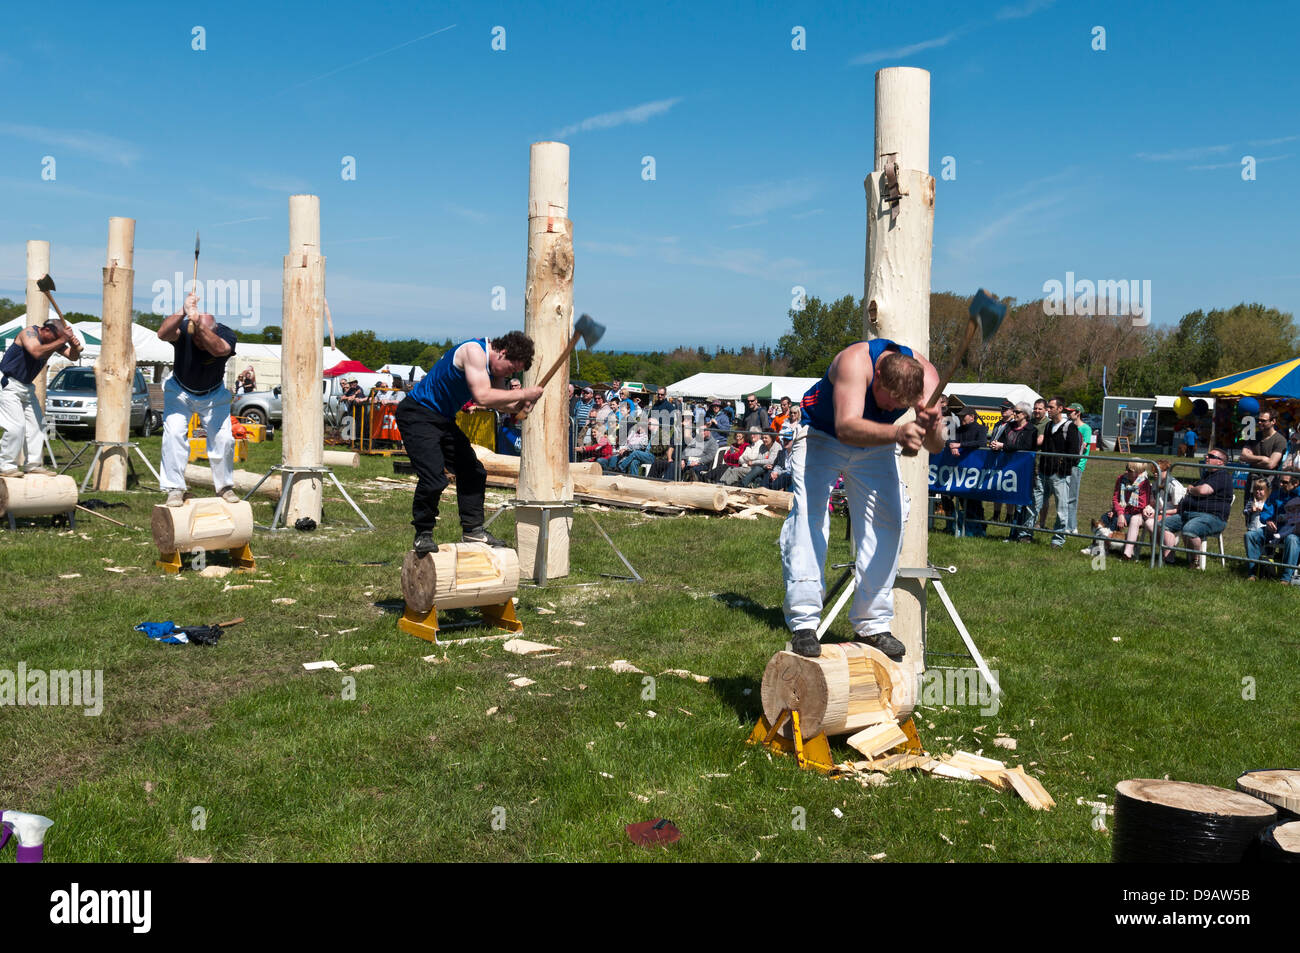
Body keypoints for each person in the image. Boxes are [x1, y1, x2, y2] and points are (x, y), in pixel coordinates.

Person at [782, 337, 944, 661]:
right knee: (809, 519)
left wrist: (931, 423)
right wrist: (899, 432)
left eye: (902, 406)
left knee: (889, 522)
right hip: (822, 436)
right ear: (879, 376)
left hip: (875, 447)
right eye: (889, 402)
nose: (892, 410)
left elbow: (937, 446)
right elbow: (846, 427)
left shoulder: (928, 377)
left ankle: (872, 623)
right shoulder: (855, 362)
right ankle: (803, 622)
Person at [396, 333, 541, 554]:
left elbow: (500, 402)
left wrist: (518, 407)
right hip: (418, 413)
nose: (510, 374)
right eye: (511, 369)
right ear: (502, 353)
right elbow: (482, 396)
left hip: (442, 419)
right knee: (434, 478)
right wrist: (524, 392)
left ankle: (473, 530)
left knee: (473, 471)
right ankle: (423, 534)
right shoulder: (474, 352)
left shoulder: (494, 368)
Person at [157, 293, 238, 505]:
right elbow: (162, 334)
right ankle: (174, 488)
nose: (199, 343)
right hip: (180, 391)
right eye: (197, 339)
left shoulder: (226, 335)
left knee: (224, 439)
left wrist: (199, 328)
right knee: (173, 434)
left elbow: (219, 349)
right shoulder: (185, 330)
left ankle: (224, 487)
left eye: (203, 337)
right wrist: (182, 311)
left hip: (214, 394)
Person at [0, 320, 82, 478]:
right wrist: (63, 339)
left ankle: (33, 465)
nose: (55, 343)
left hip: (26, 386)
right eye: (54, 339)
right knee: (16, 427)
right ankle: (5, 465)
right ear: (45, 330)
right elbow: (36, 351)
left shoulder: (54, 339)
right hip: (7, 383)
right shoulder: (29, 333)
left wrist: (73, 346)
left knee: (38, 426)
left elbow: (72, 356)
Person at [1159, 447, 1233, 566]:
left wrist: (1192, 489)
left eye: (1211, 456)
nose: (1206, 457)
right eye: (1207, 455)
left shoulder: (1222, 475)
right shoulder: (1207, 474)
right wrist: (1193, 490)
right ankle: (1169, 558)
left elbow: (1203, 490)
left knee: (1189, 530)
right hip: (1190, 513)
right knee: (1162, 525)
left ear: (1220, 462)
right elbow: (1195, 488)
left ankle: (1195, 561)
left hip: (1213, 517)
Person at [1040, 397, 1082, 548]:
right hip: (1044, 473)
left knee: (1061, 509)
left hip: (1060, 476)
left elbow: (1074, 455)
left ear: (1060, 408)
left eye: (1051, 407)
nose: (1048, 409)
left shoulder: (1070, 427)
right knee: (1035, 503)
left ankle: (1058, 539)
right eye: (1047, 407)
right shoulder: (1048, 425)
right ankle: (1026, 533)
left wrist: (1061, 471)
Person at [1244, 471, 1300, 581]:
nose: (1280, 484)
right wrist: (1268, 521)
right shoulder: (1276, 494)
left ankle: (1286, 578)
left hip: (1294, 531)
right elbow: (1265, 513)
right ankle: (1253, 573)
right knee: (1250, 535)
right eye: (1280, 481)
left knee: (1292, 539)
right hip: (1274, 530)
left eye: (1285, 482)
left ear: (1296, 483)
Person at [1092, 460, 1152, 558]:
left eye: (1129, 470)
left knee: (1115, 520)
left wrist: (1120, 514)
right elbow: (1115, 498)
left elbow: (1142, 505)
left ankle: (1105, 547)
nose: (1126, 472)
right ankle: (1097, 545)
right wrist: (1118, 512)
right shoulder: (1121, 479)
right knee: (1105, 518)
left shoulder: (1144, 483)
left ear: (1137, 472)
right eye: (1126, 469)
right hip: (1122, 511)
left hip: (1136, 514)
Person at [995, 402, 1037, 541]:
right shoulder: (1010, 426)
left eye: (1017, 412)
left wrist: (1004, 446)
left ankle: (1023, 535)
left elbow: (1025, 446)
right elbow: (1001, 440)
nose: (1015, 414)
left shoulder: (1031, 429)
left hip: (1023, 470)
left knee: (1022, 504)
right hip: (1007, 468)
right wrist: (997, 445)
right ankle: (1013, 534)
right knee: (1013, 501)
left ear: (1025, 414)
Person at [950, 407, 989, 537]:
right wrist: (952, 446)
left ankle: (980, 528)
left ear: (972, 417)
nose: (961, 418)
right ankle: (965, 526)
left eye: (964, 416)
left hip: (975, 471)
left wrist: (960, 445)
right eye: (960, 416)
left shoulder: (981, 429)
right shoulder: (959, 430)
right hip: (959, 471)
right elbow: (950, 439)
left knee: (974, 501)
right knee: (961, 498)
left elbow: (982, 442)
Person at [1239, 405, 1286, 488]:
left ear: (1273, 421)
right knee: (1248, 501)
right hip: (1252, 479)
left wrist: (1251, 459)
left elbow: (1271, 464)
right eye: (1258, 420)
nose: (1259, 423)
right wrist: (1262, 459)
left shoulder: (1280, 440)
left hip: (1269, 481)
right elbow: (1243, 456)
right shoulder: (1255, 436)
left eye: (1263, 421)